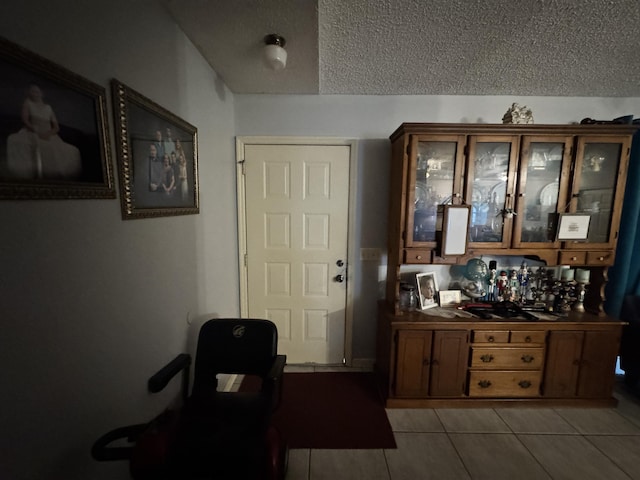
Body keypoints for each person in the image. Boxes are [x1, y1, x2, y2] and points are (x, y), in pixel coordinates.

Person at [6, 84, 82, 179]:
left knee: (72, 150)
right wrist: (36, 130)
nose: (35, 94)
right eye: (33, 91)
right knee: (18, 141)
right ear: (30, 93)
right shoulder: (28, 103)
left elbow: (56, 127)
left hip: (48, 134)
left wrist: (48, 133)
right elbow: (25, 120)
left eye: (37, 92)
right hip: (32, 131)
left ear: (42, 94)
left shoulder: (48, 107)